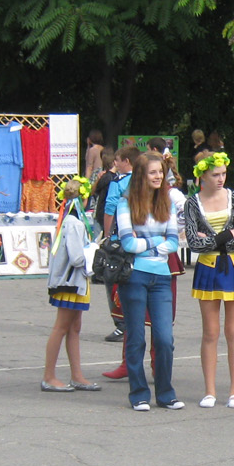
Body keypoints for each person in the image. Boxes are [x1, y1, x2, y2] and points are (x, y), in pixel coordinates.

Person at [184, 152, 234, 408]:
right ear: (202, 175)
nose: (220, 179)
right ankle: (210, 391)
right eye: (215, 174)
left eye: (223, 174)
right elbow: (194, 242)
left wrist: (212, 240)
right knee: (210, 333)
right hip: (208, 268)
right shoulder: (192, 203)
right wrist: (227, 236)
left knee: (233, 331)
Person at [116, 151, 183, 411]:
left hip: (162, 277)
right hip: (134, 276)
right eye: (153, 172)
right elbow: (128, 244)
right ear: (141, 175)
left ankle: (165, 393)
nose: (158, 177)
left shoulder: (166, 203)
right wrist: (157, 241)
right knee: (136, 337)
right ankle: (139, 394)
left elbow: (174, 242)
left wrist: (146, 243)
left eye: (160, 172)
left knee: (165, 338)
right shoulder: (126, 204)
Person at [41, 178, 101, 393]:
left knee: (74, 328)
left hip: (75, 282)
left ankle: (77, 375)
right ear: (83, 199)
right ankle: (49, 376)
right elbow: (77, 258)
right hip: (70, 283)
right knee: (61, 327)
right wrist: (94, 250)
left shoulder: (68, 220)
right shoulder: (75, 223)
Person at [95, 144, 140, 354]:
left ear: (127, 162)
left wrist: (107, 236)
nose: (116, 164)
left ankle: (121, 323)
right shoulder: (143, 181)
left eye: (118, 161)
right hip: (140, 237)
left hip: (120, 237)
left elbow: (109, 209)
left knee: (113, 279)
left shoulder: (119, 183)